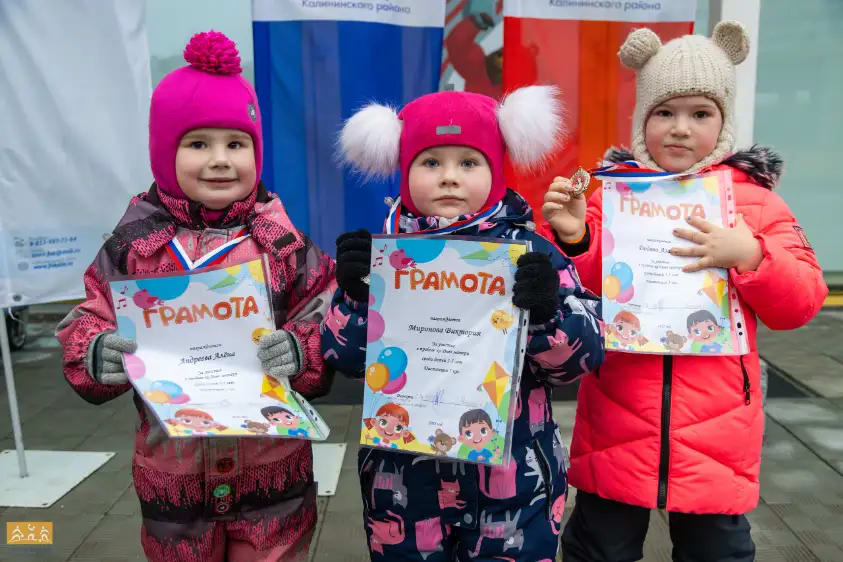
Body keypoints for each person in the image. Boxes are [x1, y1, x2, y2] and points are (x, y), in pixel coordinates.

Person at [541, 22, 828, 561]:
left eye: (701, 113)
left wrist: (752, 254)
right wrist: (576, 236)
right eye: (664, 113)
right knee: (600, 549)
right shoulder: (613, 194)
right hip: (617, 419)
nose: (680, 129)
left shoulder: (755, 204)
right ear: (641, 120)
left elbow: (803, 301)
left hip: (719, 433)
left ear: (724, 122)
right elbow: (576, 290)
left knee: (716, 551)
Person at [56, 31, 335, 561]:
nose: (220, 160)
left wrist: (302, 349)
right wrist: (95, 350)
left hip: (271, 475)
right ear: (165, 153)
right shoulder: (133, 248)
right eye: (198, 144)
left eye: (237, 144)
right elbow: (88, 314)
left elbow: (325, 312)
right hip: (175, 481)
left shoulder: (284, 245)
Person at [322, 86, 604, 560]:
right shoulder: (386, 258)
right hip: (404, 488)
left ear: (495, 170)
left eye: (469, 162)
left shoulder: (532, 254)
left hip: (514, 487)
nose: (450, 177)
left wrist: (546, 316)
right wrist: (354, 299)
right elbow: (344, 357)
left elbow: (581, 358)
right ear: (404, 169)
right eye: (431, 162)